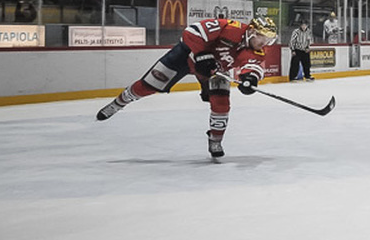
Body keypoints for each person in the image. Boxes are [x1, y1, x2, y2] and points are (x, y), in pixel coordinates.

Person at [96, 17, 277, 159]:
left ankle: (215, 140)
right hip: (186, 56)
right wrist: (202, 54)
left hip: (215, 71)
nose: (265, 43)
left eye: (270, 40)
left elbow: (253, 66)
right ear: (252, 31)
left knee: (221, 104)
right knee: (148, 85)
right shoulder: (230, 27)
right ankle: (119, 103)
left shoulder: (258, 51)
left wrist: (250, 79)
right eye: (263, 37)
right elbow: (192, 32)